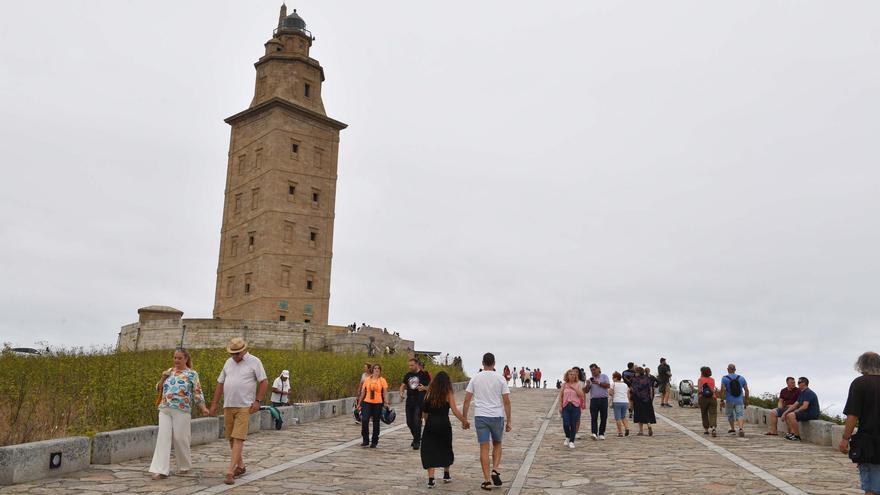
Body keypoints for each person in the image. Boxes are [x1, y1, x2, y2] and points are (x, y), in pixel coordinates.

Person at [207, 338, 268, 485]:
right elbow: (220, 383)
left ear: (244, 350)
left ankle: (230, 470)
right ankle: (240, 466)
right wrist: (214, 404)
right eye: (232, 354)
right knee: (231, 438)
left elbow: (264, 381)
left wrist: (257, 401)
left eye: (237, 353)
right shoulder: (228, 362)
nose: (234, 356)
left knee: (239, 437)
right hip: (228, 404)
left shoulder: (254, 361)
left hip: (244, 406)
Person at [149, 348, 208, 480]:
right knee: (163, 438)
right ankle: (161, 470)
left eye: (179, 358)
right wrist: (162, 378)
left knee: (180, 438)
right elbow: (158, 388)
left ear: (186, 359)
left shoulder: (192, 374)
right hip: (165, 408)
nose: (176, 360)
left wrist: (203, 407)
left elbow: (197, 392)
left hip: (182, 409)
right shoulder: (169, 372)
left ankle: (184, 466)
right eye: (175, 358)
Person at [462, 352, 511, 491]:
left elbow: (467, 400)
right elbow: (506, 402)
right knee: (497, 443)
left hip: (481, 416)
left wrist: (464, 419)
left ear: (482, 363)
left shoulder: (475, 378)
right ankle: (495, 469)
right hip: (497, 416)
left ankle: (487, 480)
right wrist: (509, 421)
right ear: (494, 363)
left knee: (484, 447)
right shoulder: (500, 379)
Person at [839, 351, 880, 495]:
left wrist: (845, 438)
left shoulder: (860, 383)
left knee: (872, 488)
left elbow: (853, 415)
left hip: (871, 444)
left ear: (861, 365)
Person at [420, 371, 469, 488]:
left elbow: (424, 413)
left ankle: (431, 479)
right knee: (446, 447)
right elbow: (454, 410)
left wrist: (427, 423)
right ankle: (446, 474)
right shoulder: (448, 393)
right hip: (444, 424)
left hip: (431, 424)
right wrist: (464, 421)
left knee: (429, 450)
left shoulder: (429, 393)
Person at [401, 358, 431, 450]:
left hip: (420, 400)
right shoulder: (408, 375)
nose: (410, 367)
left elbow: (431, 387)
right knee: (409, 422)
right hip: (410, 400)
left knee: (417, 421)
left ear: (417, 364)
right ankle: (416, 437)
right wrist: (401, 393)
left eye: (412, 365)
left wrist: (424, 388)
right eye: (409, 365)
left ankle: (416, 442)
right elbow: (403, 385)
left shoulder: (424, 374)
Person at [360, 363, 390, 448]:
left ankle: (374, 441)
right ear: (372, 370)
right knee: (365, 420)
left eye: (378, 369)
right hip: (367, 402)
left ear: (380, 371)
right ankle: (365, 440)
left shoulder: (382, 380)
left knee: (376, 422)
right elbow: (363, 392)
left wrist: (386, 402)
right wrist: (359, 403)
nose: (377, 370)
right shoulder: (367, 379)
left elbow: (385, 392)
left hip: (378, 403)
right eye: (375, 368)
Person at [781, 377, 820, 442]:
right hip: (806, 412)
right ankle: (792, 433)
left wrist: (795, 411)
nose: (797, 384)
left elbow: (805, 406)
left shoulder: (808, 392)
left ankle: (797, 436)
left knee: (791, 415)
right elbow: (795, 404)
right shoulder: (802, 392)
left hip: (812, 413)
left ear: (804, 383)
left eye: (799, 383)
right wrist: (785, 413)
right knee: (788, 414)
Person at [719, 363, 749, 438]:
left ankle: (732, 428)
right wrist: (746, 400)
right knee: (740, 414)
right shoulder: (741, 378)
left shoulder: (724, 378)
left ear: (728, 369)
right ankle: (741, 428)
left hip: (729, 400)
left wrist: (722, 400)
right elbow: (746, 390)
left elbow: (722, 390)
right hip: (739, 400)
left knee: (730, 414)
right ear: (735, 370)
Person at [559, 368, 586, 448]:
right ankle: (567, 436)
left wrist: (574, 388)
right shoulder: (564, 385)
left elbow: (581, 395)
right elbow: (561, 396)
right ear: (567, 375)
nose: (572, 376)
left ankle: (571, 441)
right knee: (566, 424)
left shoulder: (578, 384)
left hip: (575, 406)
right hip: (566, 406)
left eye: (574, 375)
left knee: (573, 424)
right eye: (571, 374)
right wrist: (560, 406)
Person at [585, 364, 610, 440]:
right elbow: (586, 391)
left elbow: (608, 385)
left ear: (598, 369)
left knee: (604, 417)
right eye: (591, 370)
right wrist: (588, 385)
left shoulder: (604, 376)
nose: (593, 371)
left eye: (594, 369)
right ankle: (594, 433)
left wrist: (598, 383)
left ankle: (601, 433)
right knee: (594, 417)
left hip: (603, 399)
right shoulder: (590, 379)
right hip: (594, 400)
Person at [630, 366, 655, 436]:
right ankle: (649, 425)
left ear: (638, 372)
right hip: (647, 398)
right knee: (647, 413)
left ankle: (641, 431)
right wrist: (651, 397)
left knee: (639, 414)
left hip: (638, 399)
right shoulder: (647, 379)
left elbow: (634, 390)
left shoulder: (635, 380)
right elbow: (650, 389)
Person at [697, 366, 718, 437]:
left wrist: (698, 399)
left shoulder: (700, 379)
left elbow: (699, 390)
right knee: (713, 413)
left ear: (702, 372)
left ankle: (706, 430)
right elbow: (712, 389)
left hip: (703, 398)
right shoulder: (712, 380)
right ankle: (713, 428)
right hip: (712, 398)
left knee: (704, 413)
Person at [610, 371, 630, 437]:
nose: (612, 379)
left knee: (618, 418)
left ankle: (620, 432)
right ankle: (627, 428)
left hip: (617, 401)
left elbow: (611, 393)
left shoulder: (613, 384)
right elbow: (627, 393)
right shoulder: (625, 384)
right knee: (623, 417)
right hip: (625, 401)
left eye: (613, 377)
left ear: (616, 378)